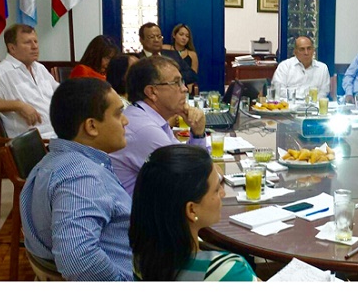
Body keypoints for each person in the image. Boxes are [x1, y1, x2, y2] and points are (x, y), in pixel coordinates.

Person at [20, 77, 133, 281]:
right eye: (118, 114)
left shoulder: (50, 162)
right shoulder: (82, 177)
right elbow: (77, 258)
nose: (125, 121)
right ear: (91, 126)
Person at [130, 145, 260, 281]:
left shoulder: (138, 260)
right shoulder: (225, 271)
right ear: (192, 210)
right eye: (216, 190)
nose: (223, 193)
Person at [108, 55, 208, 196]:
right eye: (176, 83)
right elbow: (193, 182)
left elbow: (191, 165)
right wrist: (213, 171)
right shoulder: (145, 130)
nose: (185, 89)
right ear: (152, 92)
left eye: (182, 82)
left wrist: (198, 133)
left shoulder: (151, 118)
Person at [0, 23, 59, 139]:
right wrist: (18, 105)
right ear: (12, 48)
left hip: (59, 135)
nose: (35, 46)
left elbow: (61, 94)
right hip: (37, 143)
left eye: (35, 41)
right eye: (28, 42)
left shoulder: (40, 68)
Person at [162, 23, 200, 95]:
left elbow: (193, 75)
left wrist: (189, 85)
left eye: (187, 36)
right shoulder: (164, 48)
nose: (184, 38)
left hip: (185, 87)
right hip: (168, 85)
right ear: (174, 35)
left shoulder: (192, 54)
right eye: (181, 34)